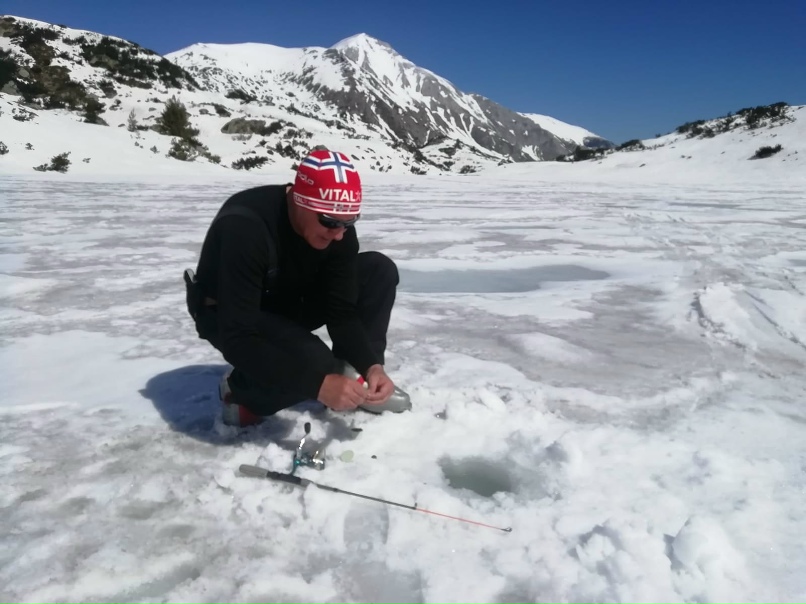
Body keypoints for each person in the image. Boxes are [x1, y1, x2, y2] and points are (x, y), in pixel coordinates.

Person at [187, 148, 411, 427]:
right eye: (329, 222)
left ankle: (356, 379)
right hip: (228, 311)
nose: (339, 233)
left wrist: (370, 364)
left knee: (378, 270)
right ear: (299, 200)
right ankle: (241, 391)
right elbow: (238, 336)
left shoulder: (337, 228)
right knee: (314, 365)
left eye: (349, 222)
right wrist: (317, 384)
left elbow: (340, 311)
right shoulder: (245, 226)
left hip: (285, 295)